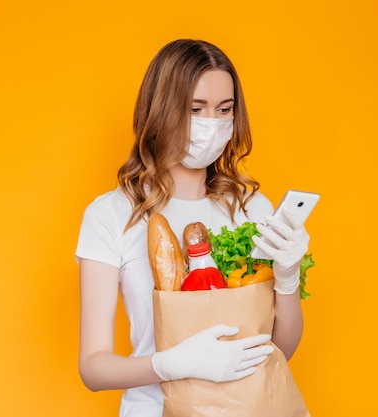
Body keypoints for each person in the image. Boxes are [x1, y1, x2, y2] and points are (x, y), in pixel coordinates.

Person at [75, 39, 310, 417]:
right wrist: (170, 363)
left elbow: (280, 349)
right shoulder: (112, 214)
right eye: (195, 109)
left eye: (224, 110)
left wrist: (287, 278)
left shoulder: (251, 210)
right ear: (161, 109)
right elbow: (93, 367)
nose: (211, 124)